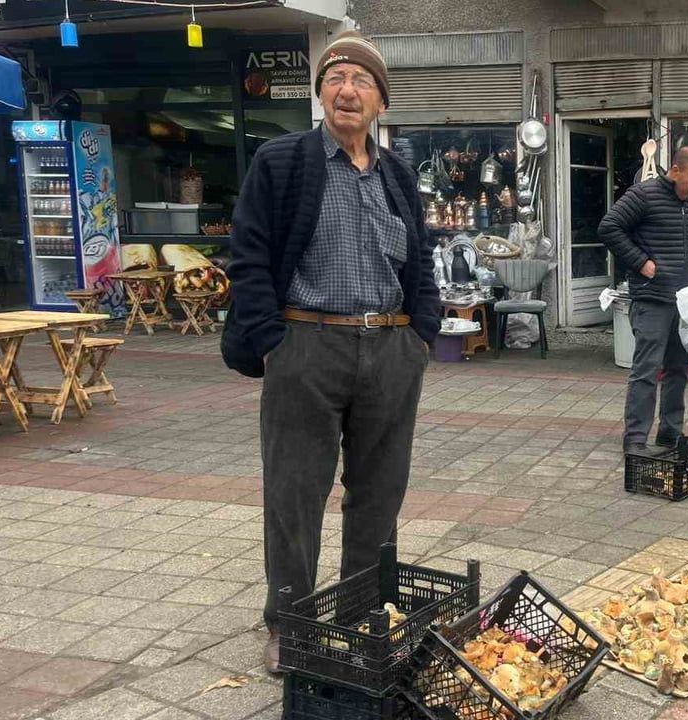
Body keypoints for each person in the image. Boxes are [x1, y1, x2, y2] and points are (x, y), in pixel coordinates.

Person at [220, 31, 439, 673]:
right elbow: (250, 253)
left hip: (391, 347)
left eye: (362, 82)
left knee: (379, 491)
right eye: (336, 79)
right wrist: (272, 342)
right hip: (307, 345)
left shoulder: (398, 174)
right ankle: (289, 624)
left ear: (380, 102)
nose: (348, 90)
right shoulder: (282, 160)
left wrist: (419, 334)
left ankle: (361, 613)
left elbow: (420, 261)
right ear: (320, 94)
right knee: (295, 491)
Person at [599, 146, 688, 455]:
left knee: (679, 368)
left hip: (683, 300)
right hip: (651, 299)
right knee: (647, 370)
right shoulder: (643, 195)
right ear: (674, 171)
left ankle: (670, 434)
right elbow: (609, 227)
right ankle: (635, 440)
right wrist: (640, 262)